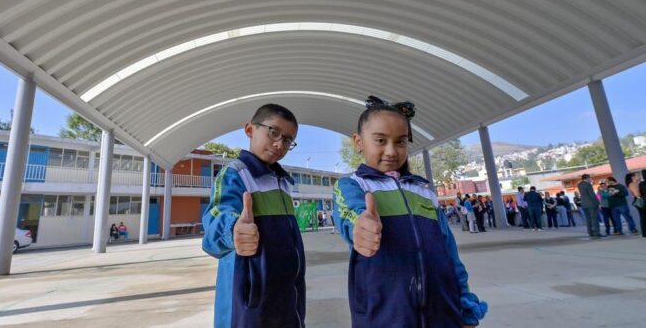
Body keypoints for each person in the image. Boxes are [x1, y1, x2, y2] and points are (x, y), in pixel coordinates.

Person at [332, 96, 487, 327]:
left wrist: (464, 302)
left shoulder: (425, 193)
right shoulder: (353, 186)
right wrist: (361, 226)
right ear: (358, 142)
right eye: (380, 140)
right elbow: (350, 215)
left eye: (401, 142)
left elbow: (449, 254)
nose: (391, 151)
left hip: (443, 313)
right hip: (384, 315)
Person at [202, 104, 305, 328]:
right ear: (250, 129)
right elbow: (215, 216)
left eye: (287, 140)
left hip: (287, 296)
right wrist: (232, 230)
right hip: (248, 301)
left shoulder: (283, 181)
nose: (279, 144)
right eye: (273, 132)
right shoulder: (235, 174)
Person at [626, 172, 644, 237]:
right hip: (639, 200)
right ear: (632, 177)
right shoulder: (632, 184)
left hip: (640, 200)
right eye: (637, 175)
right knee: (643, 217)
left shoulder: (637, 183)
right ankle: (644, 232)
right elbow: (637, 194)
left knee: (643, 217)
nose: (639, 176)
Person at [637, 170, 646, 237]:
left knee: (643, 218)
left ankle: (644, 233)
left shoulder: (641, 184)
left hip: (645, 201)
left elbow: (640, 194)